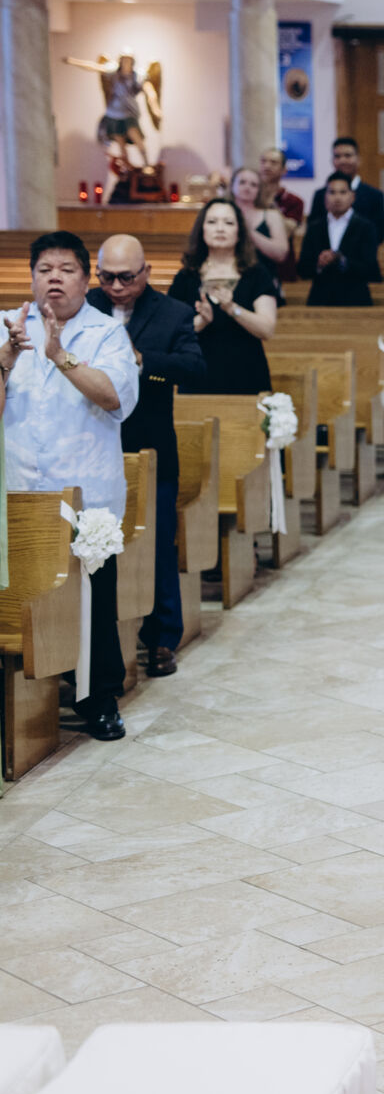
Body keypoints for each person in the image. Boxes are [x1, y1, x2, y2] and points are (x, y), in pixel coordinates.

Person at [5, 233, 140, 740]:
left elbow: (114, 397)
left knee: (92, 604)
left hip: (86, 490)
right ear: (32, 278)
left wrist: (58, 354)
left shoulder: (107, 333)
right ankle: (23, 693)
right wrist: (5, 362)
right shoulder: (7, 326)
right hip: (19, 486)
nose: (54, 278)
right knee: (21, 597)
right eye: (45, 269)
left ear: (86, 280)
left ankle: (98, 699)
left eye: (66, 269)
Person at [87, 235, 203, 678]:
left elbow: (194, 368)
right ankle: (96, 640)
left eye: (126, 277)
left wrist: (142, 361)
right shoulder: (85, 307)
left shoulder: (173, 313)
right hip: (93, 444)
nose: (116, 287)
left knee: (156, 543)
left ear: (146, 272)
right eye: (107, 277)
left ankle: (161, 637)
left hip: (148, 444)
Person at [170, 198, 281, 395]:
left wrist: (232, 309)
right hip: (197, 375)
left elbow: (267, 329)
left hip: (246, 374)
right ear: (202, 229)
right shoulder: (186, 276)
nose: (220, 229)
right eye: (212, 222)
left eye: (228, 223)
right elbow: (171, 333)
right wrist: (201, 322)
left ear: (239, 232)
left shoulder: (256, 274)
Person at [297, 172, 380, 307]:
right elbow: (302, 268)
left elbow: (370, 267)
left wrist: (341, 260)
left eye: (343, 192)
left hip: (356, 299)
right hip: (320, 300)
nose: (337, 197)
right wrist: (319, 264)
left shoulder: (366, 227)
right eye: (332, 192)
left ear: (352, 196)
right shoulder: (315, 227)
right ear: (325, 197)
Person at [228, 166, 293, 282]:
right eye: (242, 182)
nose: (247, 187)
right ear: (232, 185)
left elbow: (281, 254)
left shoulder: (271, 215)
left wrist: (248, 232)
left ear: (259, 190)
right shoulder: (222, 213)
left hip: (265, 279)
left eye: (253, 185)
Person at [322, 136, 384, 235]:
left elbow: (379, 234)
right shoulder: (321, 194)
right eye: (337, 156)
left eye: (347, 156)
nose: (342, 161)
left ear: (358, 159)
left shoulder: (375, 196)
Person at [257, 147, 305, 235]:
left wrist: (271, 205)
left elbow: (288, 231)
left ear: (284, 170)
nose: (267, 166)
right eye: (263, 161)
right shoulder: (251, 196)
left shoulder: (295, 201)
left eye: (273, 162)